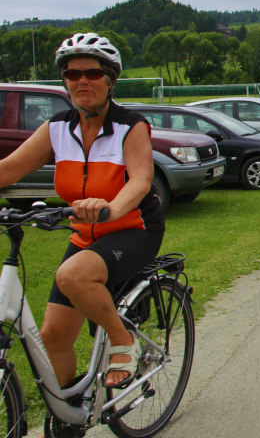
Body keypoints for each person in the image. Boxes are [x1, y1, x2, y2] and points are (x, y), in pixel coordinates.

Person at [0, 33, 164, 389]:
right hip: (85, 235)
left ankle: (123, 341)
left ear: (110, 80)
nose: (82, 81)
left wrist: (111, 208)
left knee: (72, 276)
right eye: (73, 74)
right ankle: (68, 412)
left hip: (133, 229)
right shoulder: (57, 127)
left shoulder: (130, 126)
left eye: (92, 73)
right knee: (53, 335)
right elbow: (8, 170)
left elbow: (140, 180)